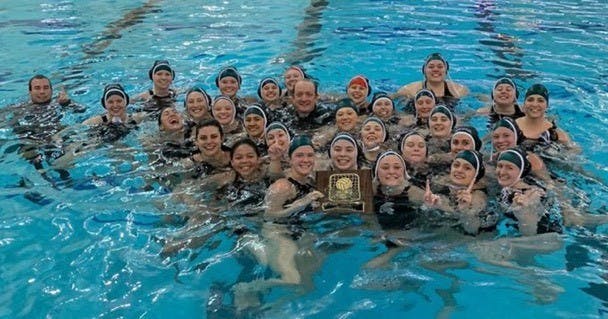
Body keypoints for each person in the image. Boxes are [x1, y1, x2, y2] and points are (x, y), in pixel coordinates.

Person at [426, 150, 497, 235]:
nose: (459, 170)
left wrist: (466, 210)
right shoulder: (441, 183)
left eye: (467, 168)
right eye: (456, 165)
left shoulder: (478, 195)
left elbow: (472, 231)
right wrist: (431, 205)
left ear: (476, 174)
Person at [495, 147, 563, 236]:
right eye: (500, 166)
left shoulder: (530, 195)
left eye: (510, 168)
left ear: (521, 172)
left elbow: (529, 232)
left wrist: (523, 212)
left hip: (545, 239)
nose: (502, 172)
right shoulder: (512, 187)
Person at [515, 84, 575, 152]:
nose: (535, 104)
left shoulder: (556, 134)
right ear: (524, 104)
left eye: (540, 101)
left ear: (547, 105)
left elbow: (574, 153)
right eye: (530, 100)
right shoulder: (511, 126)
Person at [396, 53, 468, 107]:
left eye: (440, 67)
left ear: (446, 70)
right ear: (424, 71)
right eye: (431, 67)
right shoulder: (410, 90)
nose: (435, 70)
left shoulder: (459, 90)